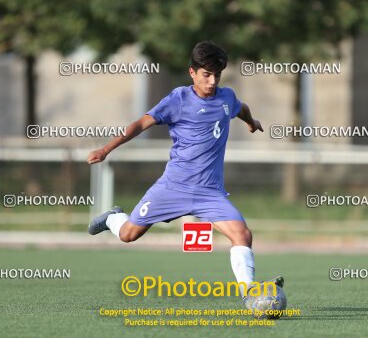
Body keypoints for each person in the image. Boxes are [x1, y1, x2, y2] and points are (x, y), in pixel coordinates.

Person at [86, 40, 283, 304]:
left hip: (210, 193)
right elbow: (140, 124)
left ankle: (249, 294)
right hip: (172, 187)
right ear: (192, 73)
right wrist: (107, 149)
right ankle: (113, 218)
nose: (212, 81)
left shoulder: (226, 98)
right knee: (128, 235)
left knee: (242, 235)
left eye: (217, 75)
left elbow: (241, 108)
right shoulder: (178, 99)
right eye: (206, 74)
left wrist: (252, 122)